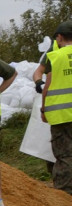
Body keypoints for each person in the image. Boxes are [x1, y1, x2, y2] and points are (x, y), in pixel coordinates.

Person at [40, 20, 72, 195]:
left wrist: (44, 108)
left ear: (59, 37)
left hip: (61, 114)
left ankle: (65, 196)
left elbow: (48, 86)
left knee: (65, 155)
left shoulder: (56, 56)